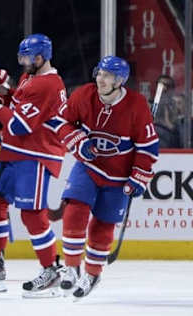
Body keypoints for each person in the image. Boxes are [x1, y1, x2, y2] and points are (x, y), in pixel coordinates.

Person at [0, 34, 67, 298]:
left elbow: (19, 124)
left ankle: (51, 271)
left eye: (28, 58)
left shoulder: (49, 85)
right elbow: (19, 104)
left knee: (31, 215)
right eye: (21, 57)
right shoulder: (30, 78)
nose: (24, 62)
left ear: (42, 57)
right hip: (16, 151)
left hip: (36, 154)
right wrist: (4, 86)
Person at [52, 56, 159, 299]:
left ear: (119, 81)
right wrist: (78, 142)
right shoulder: (83, 94)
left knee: (102, 226)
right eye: (100, 73)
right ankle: (71, 266)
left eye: (107, 75)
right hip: (89, 167)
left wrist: (138, 176)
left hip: (119, 177)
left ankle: (92, 273)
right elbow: (62, 122)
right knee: (74, 211)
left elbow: (148, 147)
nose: (100, 79)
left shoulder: (136, 105)